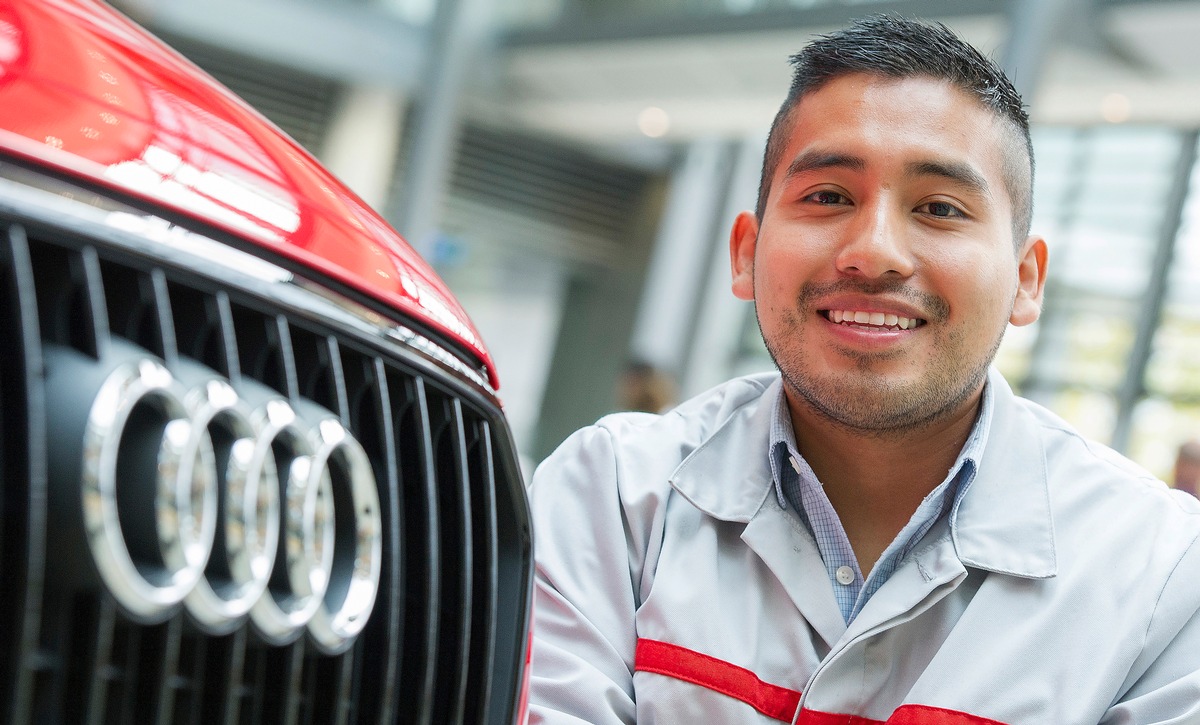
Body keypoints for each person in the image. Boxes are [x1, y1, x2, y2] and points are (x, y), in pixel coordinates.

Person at [527, 14, 1200, 725]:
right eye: (827, 197)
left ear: (1027, 280)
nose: (874, 251)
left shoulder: (1163, 576)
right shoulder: (611, 498)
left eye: (939, 208)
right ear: (746, 254)